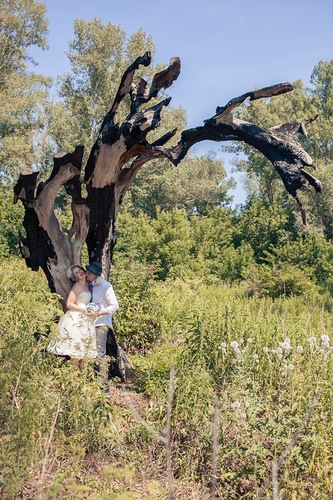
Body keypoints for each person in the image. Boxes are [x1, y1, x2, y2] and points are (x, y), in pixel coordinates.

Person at [47, 265, 97, 366]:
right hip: (76, 318)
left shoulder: (89, 284)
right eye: (77, 273)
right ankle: (73, 374)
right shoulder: (77, 286)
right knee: (75, 350)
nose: (80, 273)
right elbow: (69, 304)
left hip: (87, 319)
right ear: (74, 277)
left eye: (80, 270)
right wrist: (83, 310)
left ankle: (82, 376)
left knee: (84, 352)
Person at [85, 261, 119, 392]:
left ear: (95, 274)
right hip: (91, 323)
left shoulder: (106, 286)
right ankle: (93, 381)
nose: (86, 274)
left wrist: (98, 313)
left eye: (89, 272)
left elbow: (114, 306)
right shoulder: (91, 285)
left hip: (101, 323)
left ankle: (104, 388)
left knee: (100, 354)